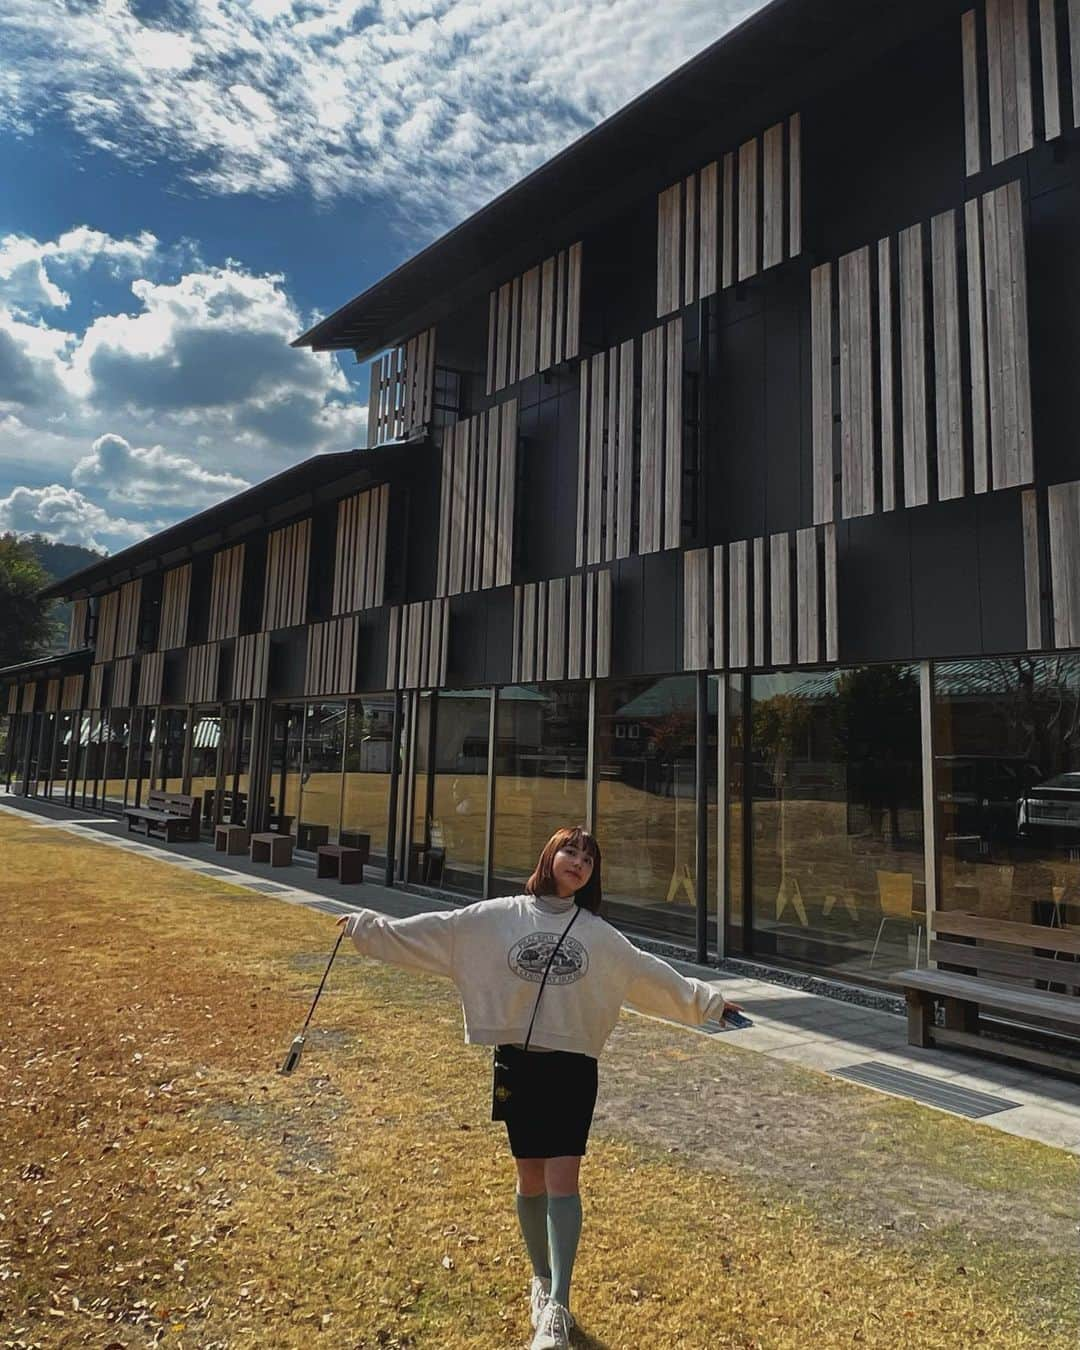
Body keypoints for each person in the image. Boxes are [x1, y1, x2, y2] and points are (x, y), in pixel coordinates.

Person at [336, 824, 742, 1350]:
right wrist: (368, 928)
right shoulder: (498, 916)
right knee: (529, 1179)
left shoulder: (597, 935)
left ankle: (559, 1309)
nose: (578, 861)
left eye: (589, 858)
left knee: (562, 1179)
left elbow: (648, 973)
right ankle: (540, 1280)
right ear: (549, 855)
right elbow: (437, 931)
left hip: (571, 1068)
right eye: (570, 850)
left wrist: (709, 1003)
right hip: (517, 1064)